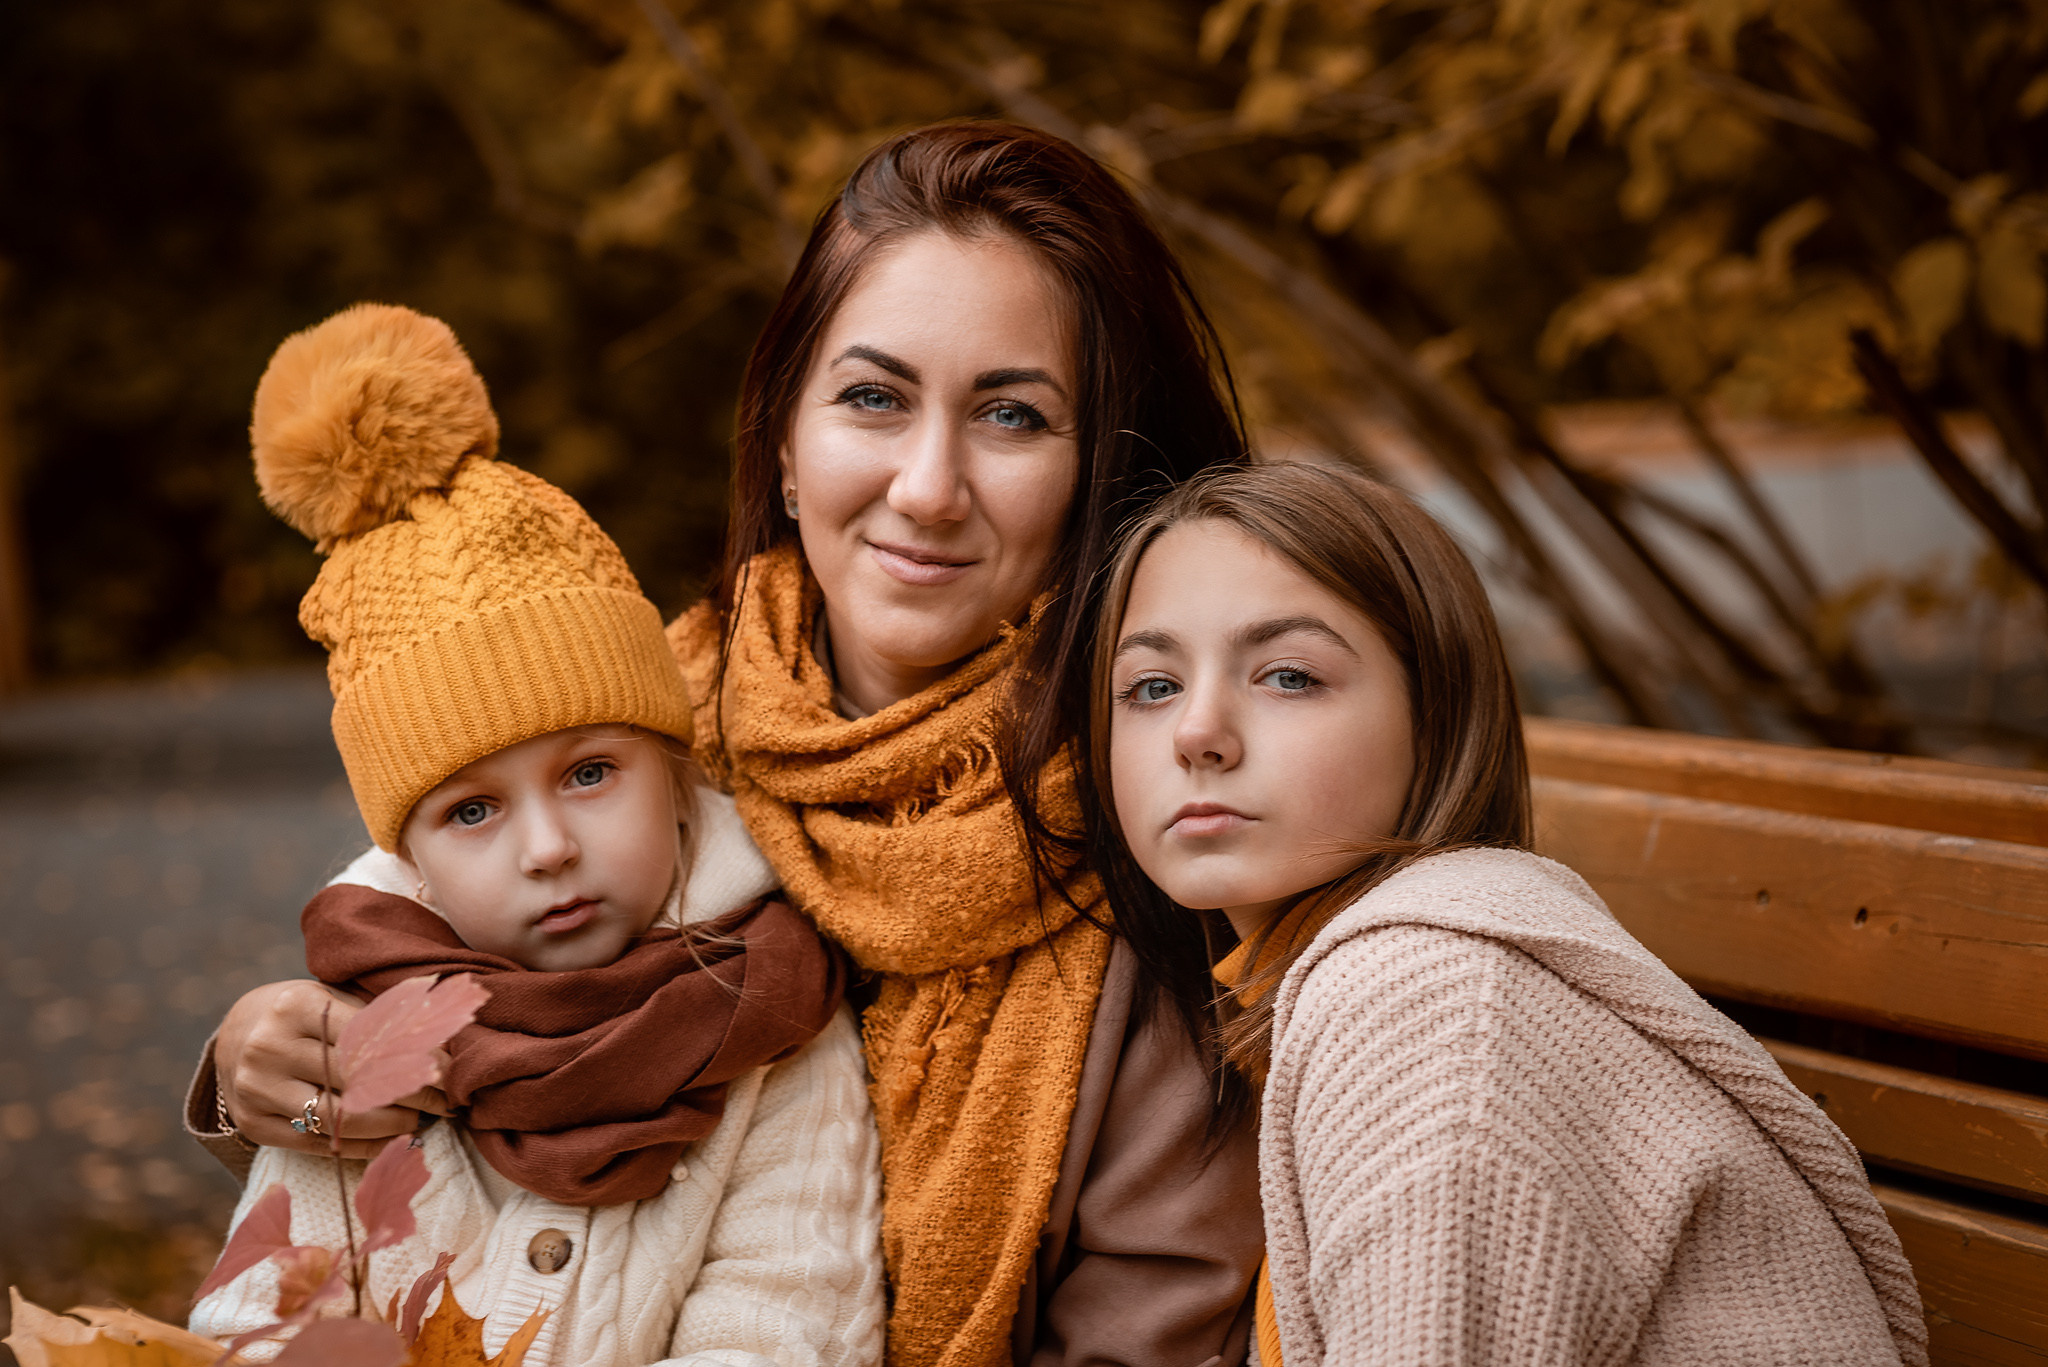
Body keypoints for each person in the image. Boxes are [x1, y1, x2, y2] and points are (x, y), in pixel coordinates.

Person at [191, 123, 1266, 1366]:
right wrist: (266, 1061)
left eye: (1012, 415)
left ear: (1100, 474)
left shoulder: (1157, 829)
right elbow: (418, 942)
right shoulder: (638, 721)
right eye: (872, 397)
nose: (925, 485)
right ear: (787, 443)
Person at [1084, 462, 1927, 1366]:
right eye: (1152, 686)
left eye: (1288, 675)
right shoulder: (1341, 969)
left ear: (1436, 717)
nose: (1195, 731)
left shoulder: (1427, 999)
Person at [189, 303, 883, 1366]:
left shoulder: (773, 1020)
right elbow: (258, 1318)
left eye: (591, 772)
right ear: (412, 853)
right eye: (473, 809)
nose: (548, 845)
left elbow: (780, 1322)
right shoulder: (368, 1029)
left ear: (674, 766)